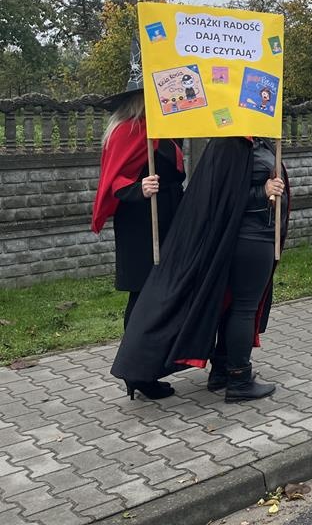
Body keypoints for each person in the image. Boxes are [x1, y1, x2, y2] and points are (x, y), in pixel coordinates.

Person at [110, 136, 289, 402]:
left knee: (233, 306)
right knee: (244, 308)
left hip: (254, 235)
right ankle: (239, 380)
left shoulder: (255, 141)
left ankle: (222, 372)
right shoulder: (231, 145)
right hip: (250, 238)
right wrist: (262, 191)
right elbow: (224, 199)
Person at [92, 59, 185, 400]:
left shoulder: (164, 129)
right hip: (140, 224)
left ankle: (148, 368)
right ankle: (137, 372)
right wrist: (139, 188)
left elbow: (176, 172)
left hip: (168, 217)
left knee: (161, 294)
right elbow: (112, 181)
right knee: (144, 295)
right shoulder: (126, 131)